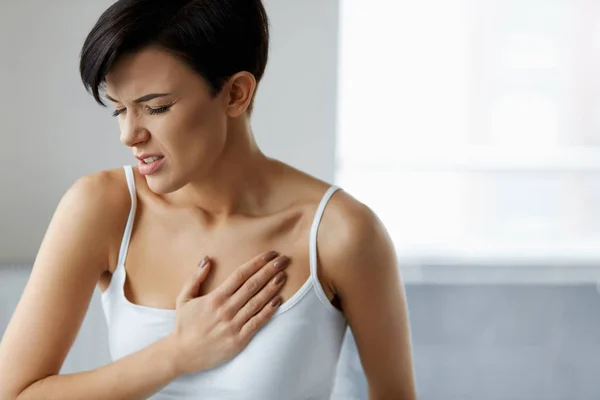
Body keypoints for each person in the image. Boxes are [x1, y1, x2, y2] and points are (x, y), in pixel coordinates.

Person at [0, 0, 416, 398]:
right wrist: (176, 354)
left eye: (156, 108)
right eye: (119, 110)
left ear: (235, 94)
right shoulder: (103, 207)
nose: (129, 135)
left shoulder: (342, 234)